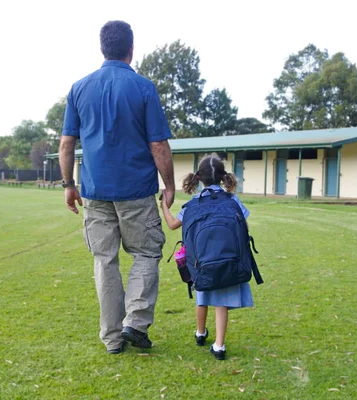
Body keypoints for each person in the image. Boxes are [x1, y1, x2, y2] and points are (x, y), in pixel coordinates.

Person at [59, 20, 175, 354]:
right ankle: (135, 322)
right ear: (131, 48)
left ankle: (111, 339)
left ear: (102, 48)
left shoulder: (79, 88)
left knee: (104, 261)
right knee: (147, 251)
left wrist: (68, 184)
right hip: (137, 192)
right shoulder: (142, 88)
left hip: (94, 193)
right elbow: (159, 145)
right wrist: (168, 185)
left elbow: (67, 144)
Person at [160, 154, 253, 360]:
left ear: (199, 178)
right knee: (222, 303)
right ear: (223, 177)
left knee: (202, 297)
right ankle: (219, 346)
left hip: (202, 262)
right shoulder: (233, 200)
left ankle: (201, 333)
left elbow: (173, 225)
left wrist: (164, 207)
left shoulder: (193, 204)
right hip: (229, 261)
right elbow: (244, 228)